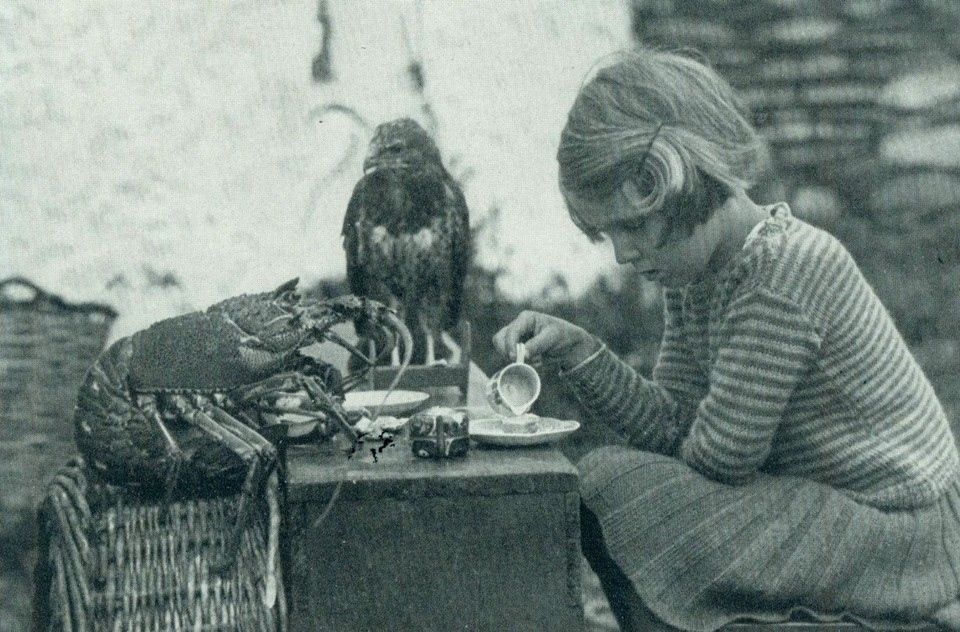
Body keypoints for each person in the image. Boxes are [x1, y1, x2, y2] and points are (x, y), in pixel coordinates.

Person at [493, 48, 960, 631]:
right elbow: (676, 426)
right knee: (605, 483)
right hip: (828, 505)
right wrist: (583, 353)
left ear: (688, 182)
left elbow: (717, 458)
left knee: (611, 485)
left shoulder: (783, 272)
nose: (624, 254)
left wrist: (674, 450)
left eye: (634, 225)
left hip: (899, 532)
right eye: (609, 233)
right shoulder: (699, 273)